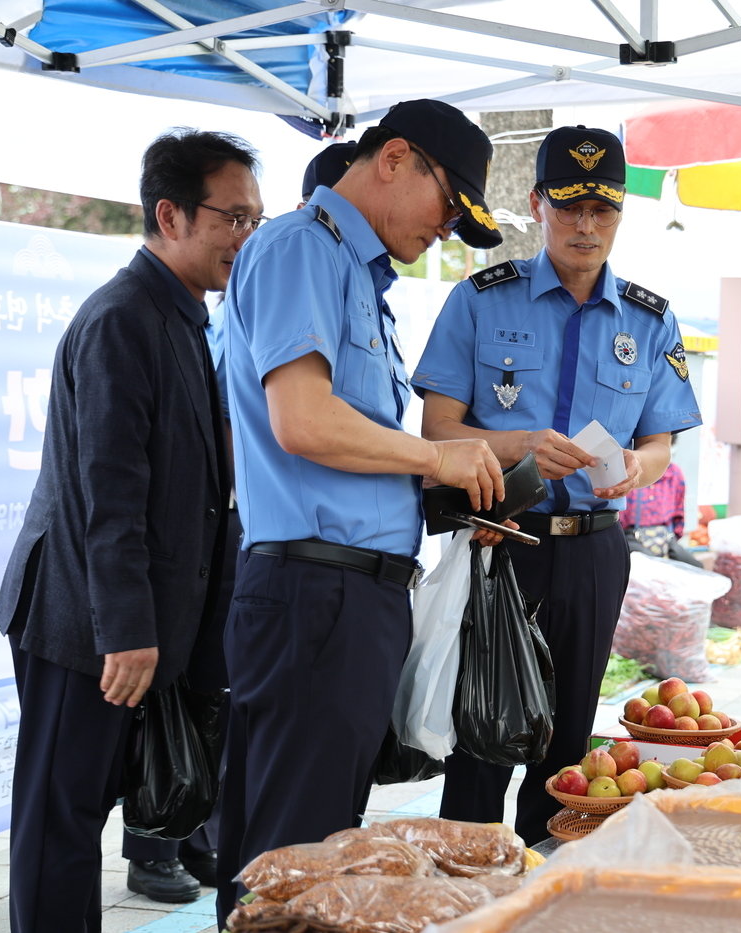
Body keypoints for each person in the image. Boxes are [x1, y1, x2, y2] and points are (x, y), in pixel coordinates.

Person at [215, 99, 506, 922]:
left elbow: (354, 448)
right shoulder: (302, 249)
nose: (446, 229)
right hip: (316, 595)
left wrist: (448, 487)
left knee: (321, 858)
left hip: (350, 598)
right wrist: (432, 455)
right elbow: (303, 421)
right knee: (294, 862)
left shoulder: (354, 271)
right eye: (448, 204)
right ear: (394, 159)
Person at [0, 129, 261, 932]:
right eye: (233, 219)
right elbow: (109, 493)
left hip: (127, 620)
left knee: (86, 815)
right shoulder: (122, 318)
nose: (246, 238)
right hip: (84, 622)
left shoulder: (180, 315)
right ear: (170, 214)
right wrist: (129, 632)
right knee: (59, 820)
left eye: (256, 219)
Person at [412, 125, 703, 845]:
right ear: (538, 203)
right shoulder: (482, 299)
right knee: (483, 734)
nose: (584, 225)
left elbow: (661, 443)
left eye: (601, 209)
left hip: (595, 553)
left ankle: (544, 897)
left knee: (567, 746)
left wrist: (641, 468)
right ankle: (467, 894)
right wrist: (517, 445)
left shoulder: (651, 318)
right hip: (501, 541)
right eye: (569, 206)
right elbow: (436, 429)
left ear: (619, 215)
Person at [620, 457, 703, 568]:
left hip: (665, 536)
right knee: (654, 567)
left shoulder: (674, 472)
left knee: (695, 567)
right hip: (633, 537)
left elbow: (679, 512)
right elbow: (619, 517)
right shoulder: (629, 471)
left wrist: (671, 538)